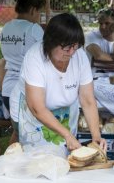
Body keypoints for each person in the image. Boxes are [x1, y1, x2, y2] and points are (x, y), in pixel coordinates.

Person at [11, 13, 106, 152]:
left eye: (75, 46)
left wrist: (96, 136)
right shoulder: (34, 57)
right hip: (32, 114)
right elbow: (37, 108)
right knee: (34, 158)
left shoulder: (79, 55)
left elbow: (87, 100)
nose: (71, 52)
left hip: (63, 113)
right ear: (51, 42)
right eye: (67, 47)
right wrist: (67, 134)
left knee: (63, 155)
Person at [0, 0, 46, 142]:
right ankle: (15, 162)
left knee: (19, 131)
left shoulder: (6, 27)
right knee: (30, 134)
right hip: (25, 89)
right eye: (39, 12)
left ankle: (9, 159)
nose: (39, 17)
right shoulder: (34, 29)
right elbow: (46, 56)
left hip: (7, 88)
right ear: (33, 10)